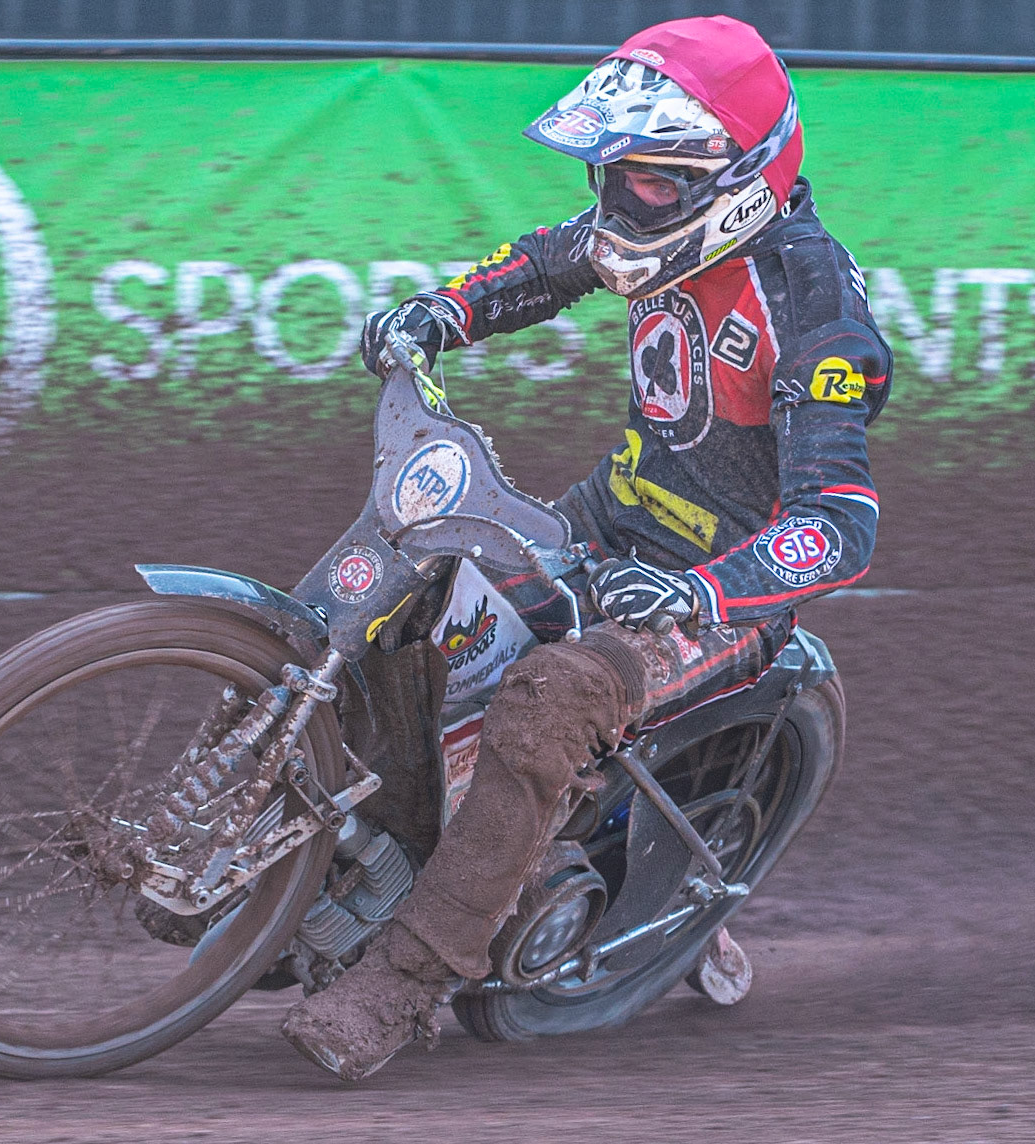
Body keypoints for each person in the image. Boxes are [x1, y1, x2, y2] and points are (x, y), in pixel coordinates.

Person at [282, 15, 892, 1080]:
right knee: (405, 609)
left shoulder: (813, 307)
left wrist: (700, 591)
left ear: (737, 177)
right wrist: (441, 312)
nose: (623, 196)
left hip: (718, 600)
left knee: (548, 699)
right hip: (609, 520)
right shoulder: (650, 224)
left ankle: (406, 983)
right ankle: (362, 863)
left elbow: (838, 523)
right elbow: (544, 264)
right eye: (615, 170)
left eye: (650, 178)